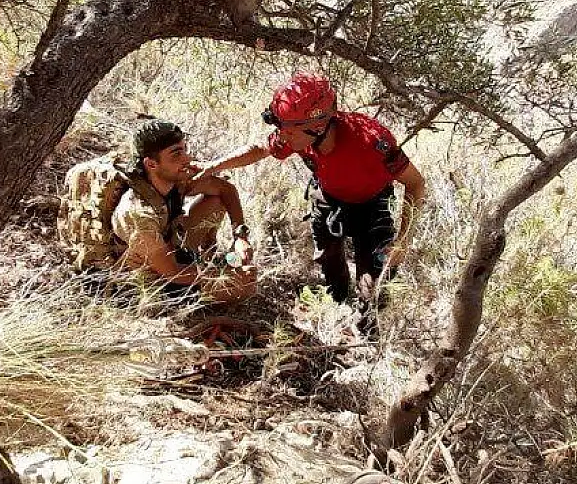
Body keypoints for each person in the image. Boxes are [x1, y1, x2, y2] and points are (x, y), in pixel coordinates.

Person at [197, 72, 425, 328]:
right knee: (328, 256)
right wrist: (213, 166)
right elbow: (261, 149)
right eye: (279, 127)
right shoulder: (295, 135)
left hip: (372, 202)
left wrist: (403, 242)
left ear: (318, 126)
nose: (282, 136)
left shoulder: (372, 142)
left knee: (374, 284)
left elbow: (415, 184)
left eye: (288, 130)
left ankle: (367, 326)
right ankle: (337, 299)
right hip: (328, 194)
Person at [111, 119, 256, 303]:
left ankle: (203, 257)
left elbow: (225, 189)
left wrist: (240, 236)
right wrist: (224, 274)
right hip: (152, 279)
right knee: (242, 288)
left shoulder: (175, 177)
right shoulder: (137, 213)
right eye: (176, 154)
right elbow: (173, 272)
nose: (186, 158)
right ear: (151, 164)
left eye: (184, 150)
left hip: (172, 248)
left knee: (215, 201)